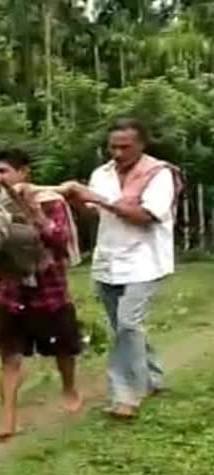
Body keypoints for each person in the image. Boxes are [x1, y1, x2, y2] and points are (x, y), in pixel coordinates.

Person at [64, 118, 181, 419]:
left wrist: (98, 199)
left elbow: (145, 215)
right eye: (112, 146)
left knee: (128, 325)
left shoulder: (159, 174)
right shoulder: (101, 174)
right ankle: (153, 377)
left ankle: (126, 394)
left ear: (141, 145)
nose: (117, 152)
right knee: (125, 328)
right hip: (109, 260)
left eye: (125, 146)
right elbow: (94, 214)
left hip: (145, 261)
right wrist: (77, 202)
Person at [0, 148, 83, 443]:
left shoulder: (52, 202)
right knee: (9, 357)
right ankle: (7, 419)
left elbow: (60, 242)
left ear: (24, 173)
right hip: (8, 292)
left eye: (2, 171)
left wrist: (35, 212)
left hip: (49, 291)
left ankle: (69, 389)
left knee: (63, 350)